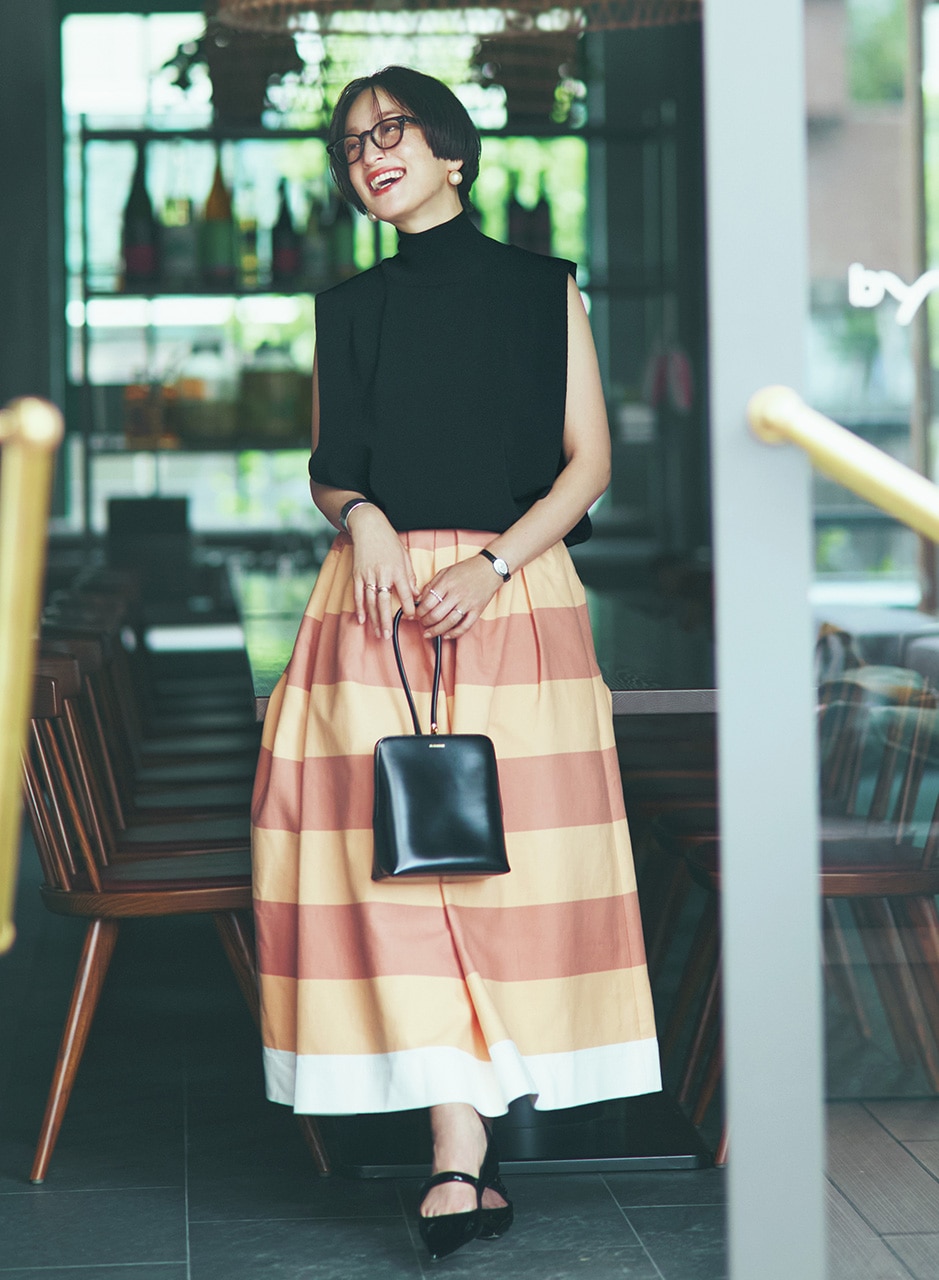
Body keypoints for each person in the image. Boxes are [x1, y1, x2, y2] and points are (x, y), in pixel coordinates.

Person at [251, 65, 661, 1261]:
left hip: (512, 593)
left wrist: (490, 562)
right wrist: (361, 514)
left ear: (454, 150)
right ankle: (455, 1154)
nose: (371, 152)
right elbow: (334, 463)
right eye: (352, 142)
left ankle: (473, 1141)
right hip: (373, 605)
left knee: (507, 872)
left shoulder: (545, 289)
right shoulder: (346, 307)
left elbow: (587, 465)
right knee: (395, 873)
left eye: (394, 131)